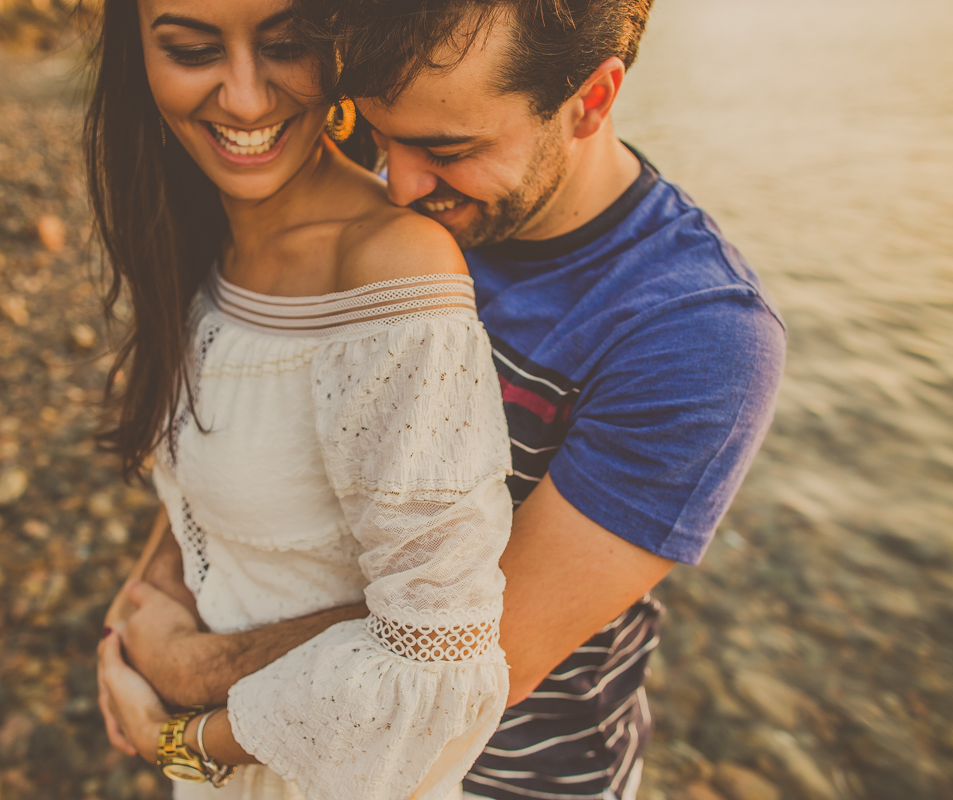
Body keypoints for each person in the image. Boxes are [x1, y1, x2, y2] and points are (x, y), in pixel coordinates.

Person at [107, 1, 788, 799]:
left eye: (445, 150)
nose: (395, 183)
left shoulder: (694, 334)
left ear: (592, 100)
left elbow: (480, 649)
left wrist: (181, 686)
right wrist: (154, 586)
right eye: (374, 134)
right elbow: (256, 412)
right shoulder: (411, 119)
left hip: (509, 777)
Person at [87, 1, 516, 799]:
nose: (247, 100)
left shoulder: (393, 279)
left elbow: (440, 654)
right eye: (190, 49)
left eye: (287, 45)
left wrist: (174, 734)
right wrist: (145, 601)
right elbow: (206, 484)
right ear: (134, 55)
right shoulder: (199, 230)